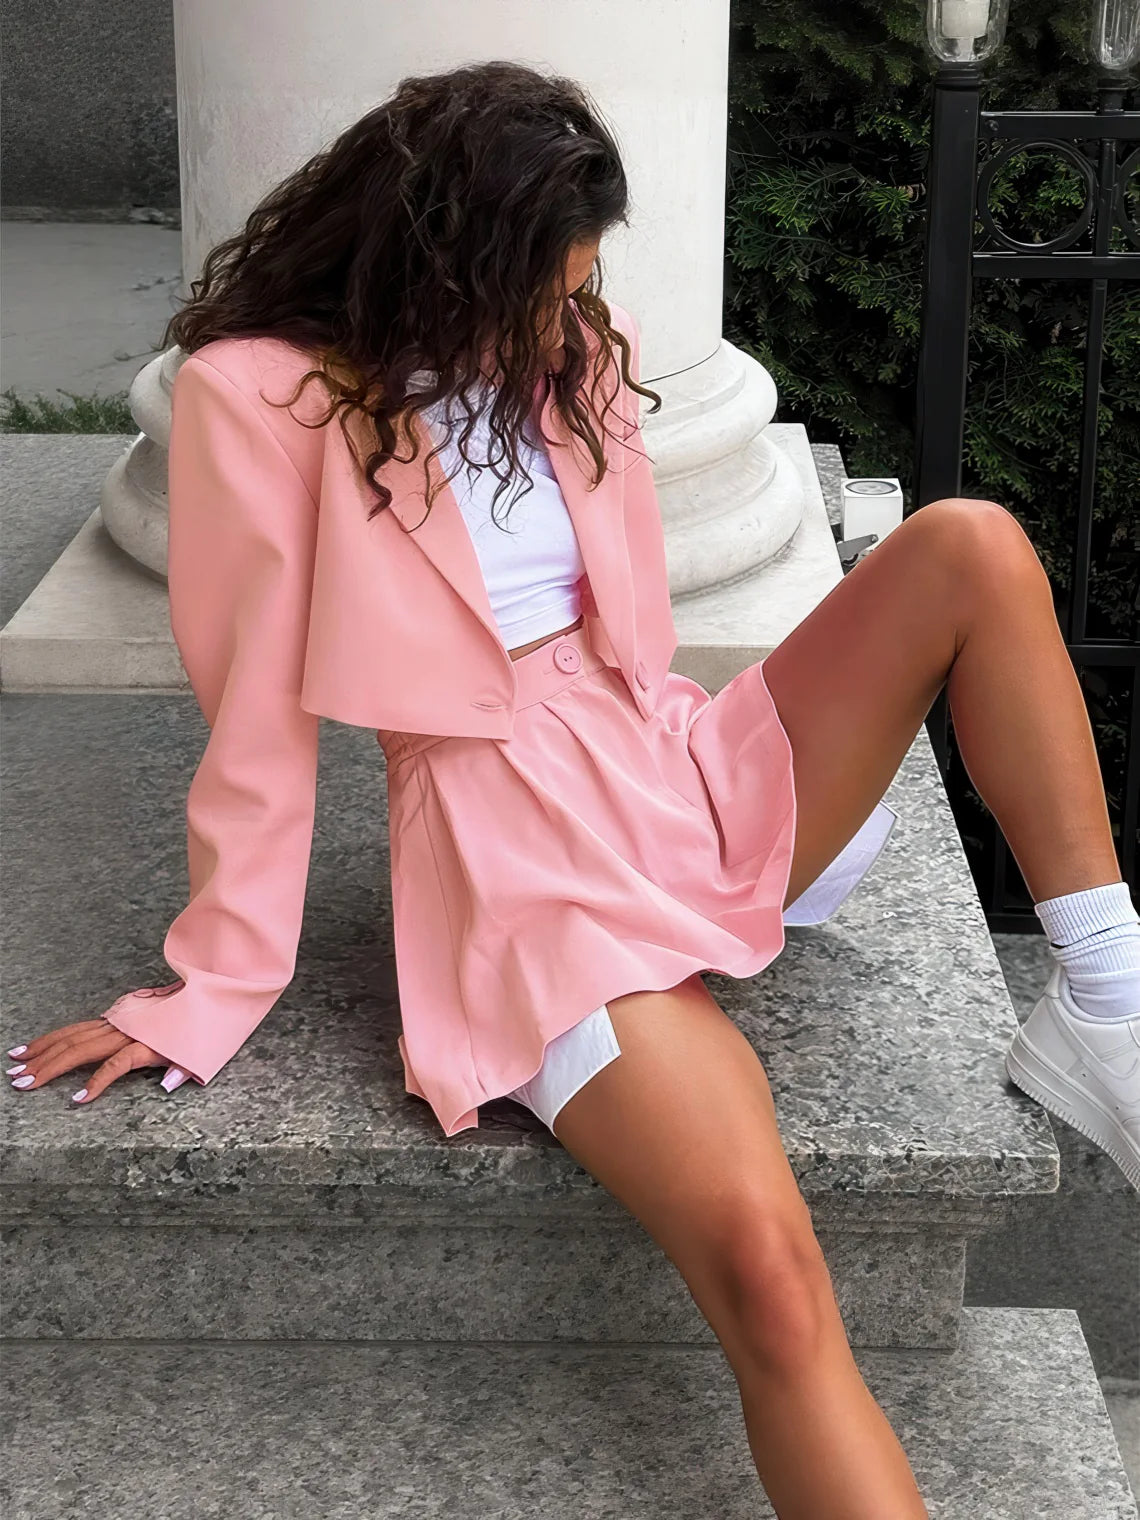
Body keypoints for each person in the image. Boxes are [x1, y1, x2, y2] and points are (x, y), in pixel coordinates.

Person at [7, 59, 1138, 1519]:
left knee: (971, 544)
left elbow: (616, 618)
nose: (570, 319)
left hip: (675, 767)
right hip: (521, 859)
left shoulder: (568, 346)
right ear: (441, 257)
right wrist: (208, 986)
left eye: (579, 283)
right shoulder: (257, 403)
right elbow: (255, 729)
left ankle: (1107, 1003)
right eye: (540, 287)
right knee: (774, 1278)